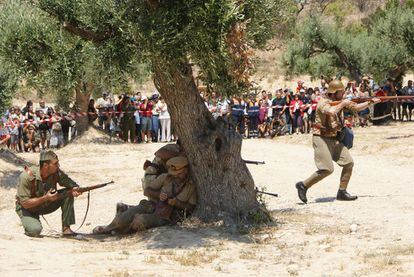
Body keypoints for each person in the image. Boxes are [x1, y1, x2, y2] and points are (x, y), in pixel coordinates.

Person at [295, 80, 380, 203]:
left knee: (348, 163)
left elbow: (355, 108)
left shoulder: (341, 101)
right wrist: (343, 103)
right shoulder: (322, 102)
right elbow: (331, 111)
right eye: (341, 92)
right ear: (334, 93)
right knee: (327, 169)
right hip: (321, 138)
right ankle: (303, 185)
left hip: (334, 138)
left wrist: (370, 102)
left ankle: (342, 191)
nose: (344, 93)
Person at [93, 156, 196, 234]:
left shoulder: (191, 187)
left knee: (140, 221)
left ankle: (118, 229)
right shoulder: (165, 178)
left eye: (179, 174)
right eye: (174, 174)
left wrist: (177, 203)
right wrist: (159, 195)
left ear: (186, 170)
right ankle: (109, 228)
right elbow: (147, 191)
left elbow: (191, 207)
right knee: (123, 219)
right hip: (152, 205)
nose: (176, 177)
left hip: (166, 215)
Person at [15, 150, 83, 237]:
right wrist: (46, 198)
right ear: (46, 165)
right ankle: (29, 222)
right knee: (35, 230)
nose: (58, 166)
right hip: (28, 209)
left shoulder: (56, 173)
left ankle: (66, 229)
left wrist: (76, 189)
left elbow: (71, 185)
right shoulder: (27, 176)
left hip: (45, 204)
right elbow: (25, 204)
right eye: (55, 164)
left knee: (68, 193)